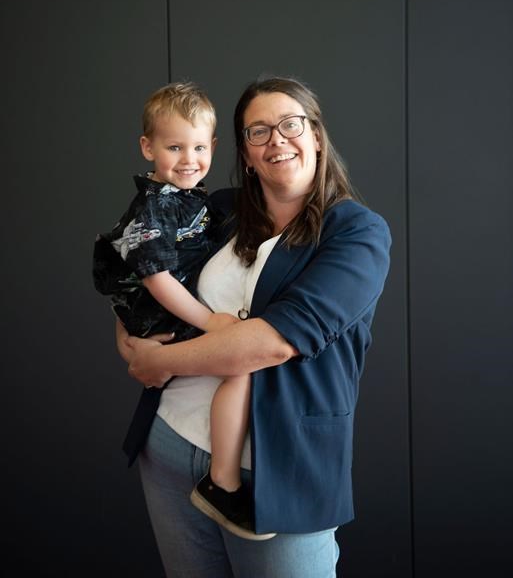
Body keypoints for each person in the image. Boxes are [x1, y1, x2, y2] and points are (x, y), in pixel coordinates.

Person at [117, 76, 392, 578]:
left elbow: (272, 344)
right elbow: (143, 268)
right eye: (258, 131)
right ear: (244, 153)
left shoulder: (357, 233)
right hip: (173, 444)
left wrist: (158, 360)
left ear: (316, 137)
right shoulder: (214, 210)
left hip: (280, 469)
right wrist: (128, 338)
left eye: (291, 124)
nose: (276, 140)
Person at [93, 81, 267, 539]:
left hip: (159, 311)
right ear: (148, 148)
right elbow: (154, 277)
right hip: (159, 313)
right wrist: (210, 322)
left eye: (197, 147)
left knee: (238, 362)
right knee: (239, 365)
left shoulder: (197, 200)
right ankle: (224, 482)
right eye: (174, 147)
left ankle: (222, 477)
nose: (188, 159)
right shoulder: (154, 205)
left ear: (212, 147)